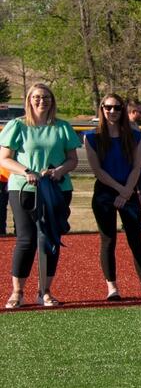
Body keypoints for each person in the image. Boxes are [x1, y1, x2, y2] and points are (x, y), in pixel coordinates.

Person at [0, 83, 80, 308]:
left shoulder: (62, 127)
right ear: (29, 100)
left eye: (45, 97)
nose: (41, 101)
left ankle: (44, 291)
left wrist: (58, 171)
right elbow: (5, 158)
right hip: (24, 188)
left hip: (56, 189)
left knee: (50, 240)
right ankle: (17, 292)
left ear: (52, 101)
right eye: (36, 97)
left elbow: (72, 159)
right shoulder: (18, 126)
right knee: (26, 239)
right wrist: (26, 172)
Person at [83, 93, 141, 301]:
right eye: (108, 107)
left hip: (128, 190)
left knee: (136, 239)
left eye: (117, 108)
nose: (112, 111)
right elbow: (97, 170)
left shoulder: (133, 136)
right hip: (105, 192)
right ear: (102, 109)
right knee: (108, 240)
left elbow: (137, 166)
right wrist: (119, 189)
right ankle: (112, 288)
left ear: (123, 110)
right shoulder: (92, 137)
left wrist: (127, 191)